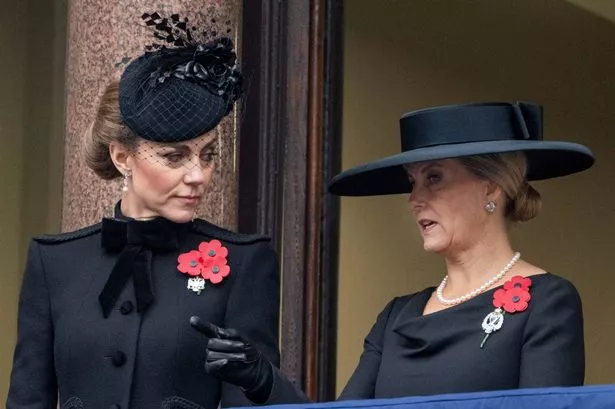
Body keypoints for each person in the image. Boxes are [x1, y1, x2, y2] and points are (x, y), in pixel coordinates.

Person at [198, 101, 594, 400]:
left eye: (434, 179)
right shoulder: (396, 315)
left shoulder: (548, 301)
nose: (414, 199)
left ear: (491, 187)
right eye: (412, 182)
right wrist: (262, 379)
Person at [7, 11, 300, 409]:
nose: (198, 175)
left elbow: (255, 402)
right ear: (122, 156)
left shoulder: (246, 264)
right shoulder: (53, 263)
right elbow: (28, 400)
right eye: (174, 156)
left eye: (208, 155)